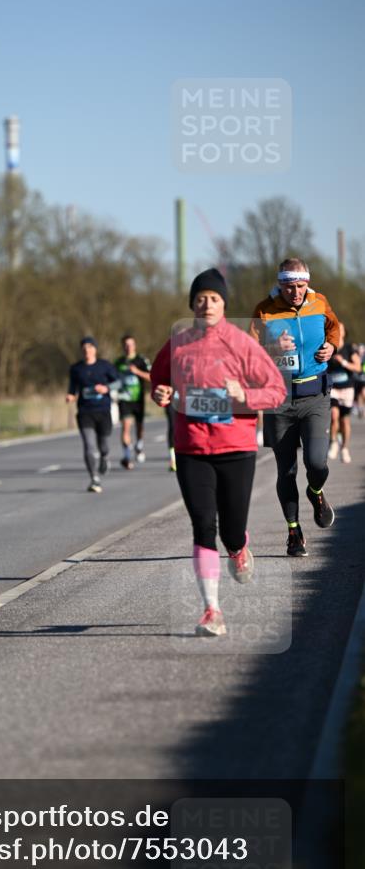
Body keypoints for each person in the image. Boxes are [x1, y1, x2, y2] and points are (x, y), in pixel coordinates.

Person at [151, 268, 286, 637]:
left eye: (214, 298)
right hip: (192, 446)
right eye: (200, 298)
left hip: (235, 447)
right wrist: (160, 393)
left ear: (223, 304)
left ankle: (239, 547)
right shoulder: (179, 343)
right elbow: (159, 379)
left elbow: (275, 390)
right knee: (202, 525)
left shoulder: (242, 344)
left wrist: (245, 396)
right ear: (192, 304)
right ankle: (212, 609)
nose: (206, 303)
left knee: (230, 529)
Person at [250, 259, 340, 557]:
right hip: (280, 400)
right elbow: (249, 355)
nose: (296, 292)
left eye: (301, 286)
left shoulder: (319, 301)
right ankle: (294, 532)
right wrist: (273, 349)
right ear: (280, 284)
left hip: (315, 395)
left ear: (307, 283)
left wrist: (332, 345)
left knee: (316, 463)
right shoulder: (265, 310)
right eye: (290, 287)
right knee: (286, 471)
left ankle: (315, 493)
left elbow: (334, 327)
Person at [66, 336, 120, 493]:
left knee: (103, 444)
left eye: (90, 347)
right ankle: (94, 478)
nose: (87, 351)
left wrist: (106, 388)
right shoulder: (76, 369)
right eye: (84, 348)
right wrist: (70, 395)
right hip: (85, 412)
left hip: (103, 410)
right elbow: (72, 388)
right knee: (89, 445)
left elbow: (119, 382)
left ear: (95, 349)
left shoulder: (105, 366)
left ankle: (105, 456)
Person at [114, 335, 151, 468]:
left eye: (131, 344)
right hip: (124, 399)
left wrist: (137, 372)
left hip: (138, 399)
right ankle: (127, 456)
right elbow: (112, 379)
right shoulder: (119, 362)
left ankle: (139, 445)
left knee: (139, 427)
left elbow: (152, 377)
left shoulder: (141, 360)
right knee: (126, 427)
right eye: (126, 345)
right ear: (123, 346)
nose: (128, 347)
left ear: (134, 345)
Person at [327, 324, 361, 463]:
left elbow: (358, 367)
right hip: (333, 388)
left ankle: (345, 448)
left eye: (340, 329)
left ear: (344, 332)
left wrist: (344, 362)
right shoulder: (329, 348)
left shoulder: (348, 348)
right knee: (334, 416)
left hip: (347, 389)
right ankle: (334, 442)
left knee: (344, 420)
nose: (337, 331)